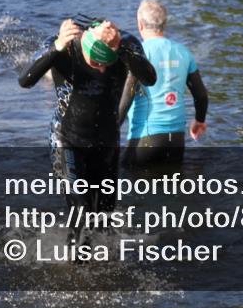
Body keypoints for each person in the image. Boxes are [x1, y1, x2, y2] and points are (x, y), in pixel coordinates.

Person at [18, 18, 157, 241]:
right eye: (95, 62)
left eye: (107, 63)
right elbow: (25, 80)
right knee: (81, 210)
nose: (102, 69)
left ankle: (104, 266)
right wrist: (56, 48)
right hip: (67, 139)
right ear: (84, 45)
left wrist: (121, 48)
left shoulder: (126, 43)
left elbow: (150, 79)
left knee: (105, 216)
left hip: (107, 141)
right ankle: (74, 267)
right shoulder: (63, 44)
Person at [119, 0, 208, 168]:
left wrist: (109, 131)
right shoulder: (183, 52)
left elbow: (126, 100)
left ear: (140, 24)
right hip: (176, 141)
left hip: (145, 140)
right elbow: (201, 95)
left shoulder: (138, 55)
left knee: (126, 187)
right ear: (165, 24)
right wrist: (199, 120)